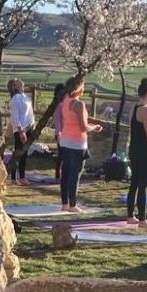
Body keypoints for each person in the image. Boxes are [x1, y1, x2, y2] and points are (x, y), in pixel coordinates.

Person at [58, 77, 102, 212]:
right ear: (79, 89)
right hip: (77, 143)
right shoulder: (79, 104)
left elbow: (75, 119)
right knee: (75, 174)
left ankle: (65, 203)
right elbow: (83, 127)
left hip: (65, 140)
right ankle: (73, 204)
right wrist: (94, 127)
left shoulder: (65, 100)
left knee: (65, 173)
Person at [126, 79, 147, 225]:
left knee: (134, 183)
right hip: (144, 150)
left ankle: (130, 215)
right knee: (143, 185)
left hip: (133, 148)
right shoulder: (146, 111)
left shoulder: (134, 108)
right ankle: (143, 218)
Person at [9, 78, 35, 185]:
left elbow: (30, 113)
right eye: (17, 82)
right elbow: (15, 116)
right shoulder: (15, 99)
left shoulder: (26, 97)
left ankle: (22, 176)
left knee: (25, 153)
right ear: (15, 86)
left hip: (28, 127)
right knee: (18, 152)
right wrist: (20, 131)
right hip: (21, 129)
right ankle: (14, 177)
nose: (21, 82)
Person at [52, 83, 66, 181]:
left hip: (66, 133)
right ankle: (58, 173)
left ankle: (61, 173)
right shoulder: (59, 106)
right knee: (61, 154)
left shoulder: (64, 105)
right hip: (61, 133)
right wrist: (59, 133)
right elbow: (57, 121)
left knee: (63, 154)